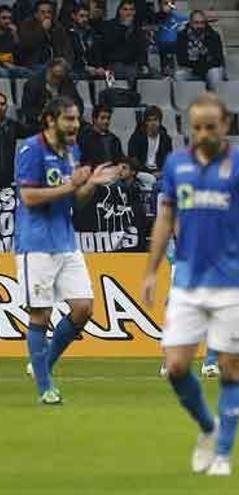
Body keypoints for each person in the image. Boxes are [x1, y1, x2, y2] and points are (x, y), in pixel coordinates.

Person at [143, 93, 239, 476]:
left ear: (225, 125)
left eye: (209, 127)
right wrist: (151, 270)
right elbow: (165, 219)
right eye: (196, 127)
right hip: (188, 282)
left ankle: (224, 456)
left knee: (231, 369)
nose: (202, 134)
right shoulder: (176, 164)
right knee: (177, 366)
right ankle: (208, 426)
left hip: (232, 284)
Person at [15, 95, 119, 405]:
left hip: (66, 240)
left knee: (84, 308)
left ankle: (41, 365)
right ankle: (46, 388)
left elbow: (75, 201)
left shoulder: (72, 152)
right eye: (69, 119)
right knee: (40, 314)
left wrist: (92, 185)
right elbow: (29, 197)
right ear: (50, 120)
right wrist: (72, 186)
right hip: (36, 244)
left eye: (77, 119)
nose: (76, 125)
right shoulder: (31, 149)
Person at [20, 58, 83, 133]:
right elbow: (27, 108)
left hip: (65, 119)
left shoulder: (67, 83)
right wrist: (42, 117)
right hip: (40, 123)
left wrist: (73, 114)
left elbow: (78, 103)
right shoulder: (33, 84)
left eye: (60, 76)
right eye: (55, 75)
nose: (57, 79)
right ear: (48, 70)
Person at [94, 0, 149, 84]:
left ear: (134, 12)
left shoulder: (137, 30)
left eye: (131, 10)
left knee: (145, 74)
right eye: (125, 9)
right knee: (114, 81)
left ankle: (131, 93)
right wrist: (99, 66)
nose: (128, 12)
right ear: (119, 11)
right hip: (110, 65)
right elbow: (102, 47)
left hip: (131, 65)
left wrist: (144, 64)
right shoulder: (109, 26)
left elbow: (142, 50)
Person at [176, 10, 225, 90]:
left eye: (202, 23)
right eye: (196, 22)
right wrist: (201, 60)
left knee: (215, 74)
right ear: (191, 23)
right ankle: (184, 100)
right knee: (179, 75)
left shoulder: (213, 36)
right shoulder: (182, 36)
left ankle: (214, 100)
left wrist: (198, 61)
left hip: (209, 69)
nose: (199, 26)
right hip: (191, 69)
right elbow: (181, 59)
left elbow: (218, 59)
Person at [18, 0, 73, 69]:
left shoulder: (58, 28)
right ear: (36, 15)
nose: (46, 15)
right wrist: (42, 29)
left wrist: (66, 63)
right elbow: (27, 44)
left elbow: (67, 50)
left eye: (49, 12)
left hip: (56, 66)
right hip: (33, 65)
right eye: (43, 12)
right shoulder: (27, 25)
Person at [128, 105, 173, 177]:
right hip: (141, 172)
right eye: (149, 120)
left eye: (155, 120)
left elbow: (168, 160)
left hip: (160, 172)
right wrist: (150, 173)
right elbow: (134, 160)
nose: (153, 123)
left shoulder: (166, 139)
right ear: (145, 123)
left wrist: (161, 172)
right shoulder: (137, 138)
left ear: (160, 121)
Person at [66, 3, 103, 80]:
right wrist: (85, 68)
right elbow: (69, 58)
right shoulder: (66, 34)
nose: (85, 19)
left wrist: (99, 67)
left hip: (93, 69)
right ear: (73, 16)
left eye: (87, 16)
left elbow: (98, 53)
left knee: (110, 77)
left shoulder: (93, 33)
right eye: (82, 16)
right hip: (76, 68)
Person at [0, 92, 28, 188]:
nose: (0, 107)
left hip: (7, 179)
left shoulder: (12, 125)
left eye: (2, 104)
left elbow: (31, 132)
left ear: (7, 106)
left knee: (7, 202)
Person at [155, 0, 188, 75]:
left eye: (171, 3)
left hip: (175, 50)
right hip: (159, 49)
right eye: (166, 3)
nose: (169, 6)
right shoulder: (152, 19)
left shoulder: (180, 18)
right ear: (159, 4)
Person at [0, 5, 31, 78]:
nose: (7, 21)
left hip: (12, 66)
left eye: (9, 18)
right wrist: (4, 63)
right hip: (3, 67)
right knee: (4, 73)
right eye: (4, 18)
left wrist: (16, 36)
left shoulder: (12, 33)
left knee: (30, 73)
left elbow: (21, 56)